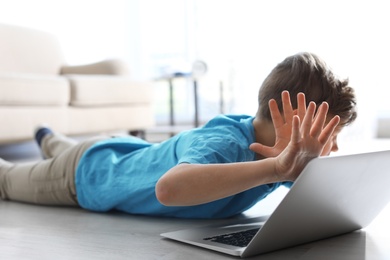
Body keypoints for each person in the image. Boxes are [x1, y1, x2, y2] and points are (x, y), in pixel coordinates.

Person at [0, 52, 357, 219]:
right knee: (9, 179)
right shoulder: (227, 143)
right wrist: (277, 169)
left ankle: (50, 138)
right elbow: (168, 189)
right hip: (85, 177)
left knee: (71, 148)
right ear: (292, 120)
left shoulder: (281, 155)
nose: (335, 145)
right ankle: (52, 144)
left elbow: (326, 206)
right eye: (330, 132)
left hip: (121, 152)